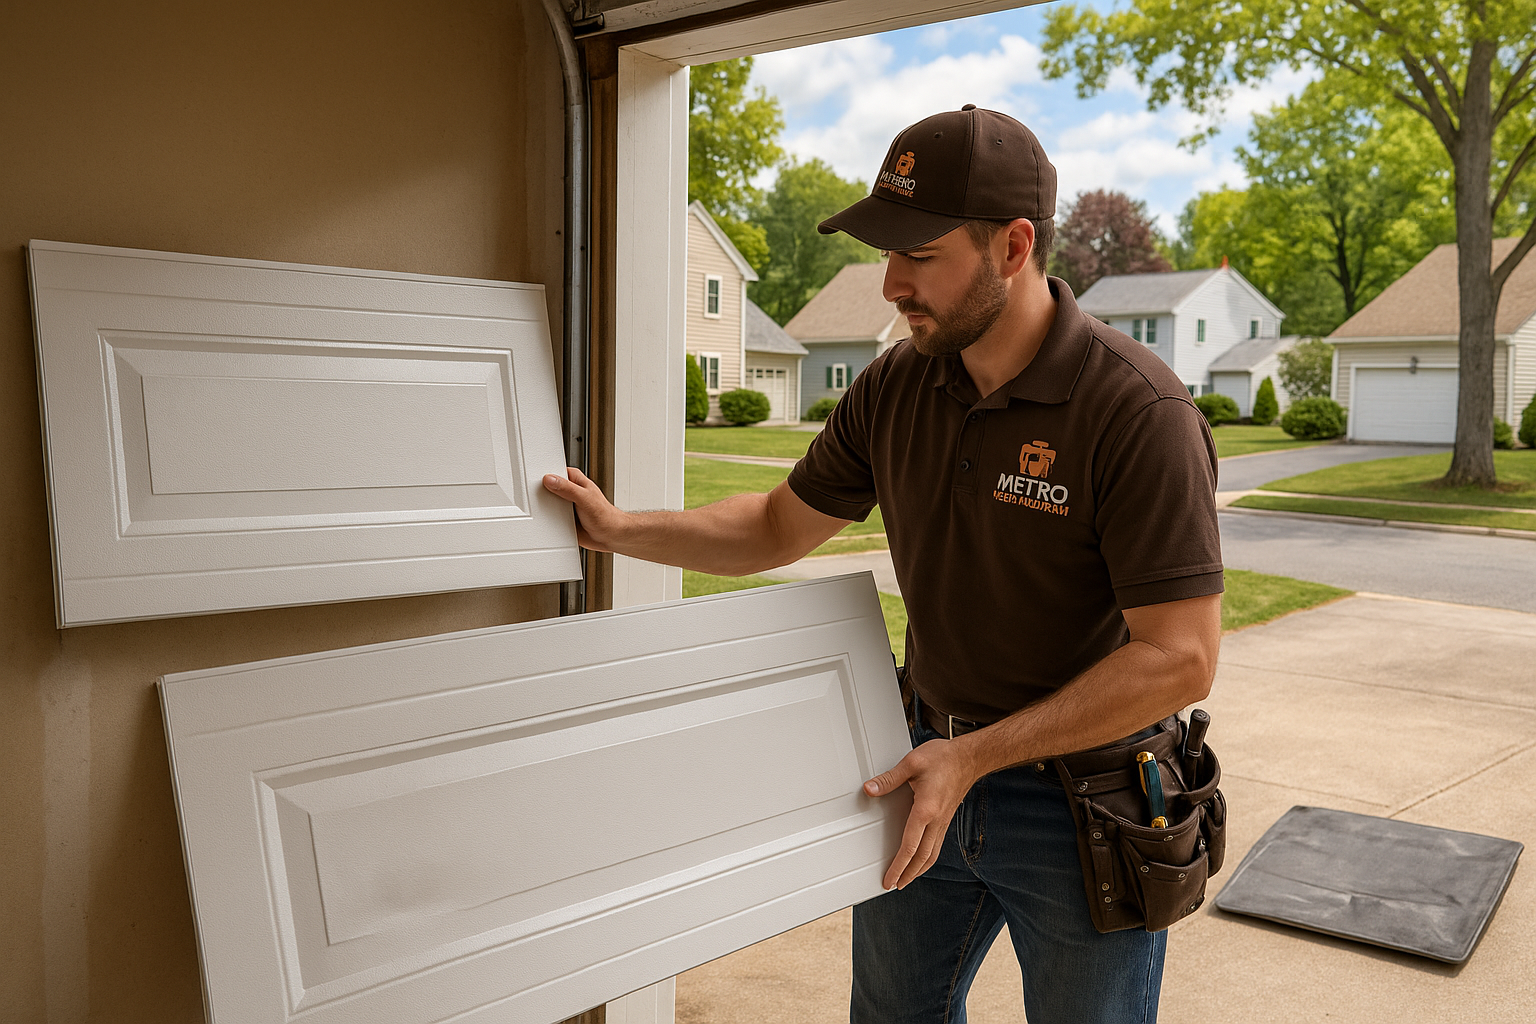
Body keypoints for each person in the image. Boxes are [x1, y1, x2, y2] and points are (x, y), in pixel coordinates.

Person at [543, 105, 1222, 1024]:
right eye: (886, 253)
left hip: (1083, 808)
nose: (892, 284)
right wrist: (623, 531)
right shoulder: (896, 385)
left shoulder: (1137, 411)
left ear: (1013, 246)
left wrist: (974, 756)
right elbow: (777, 525)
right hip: (920, 769)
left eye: (920, 254)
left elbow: (1180, 657)